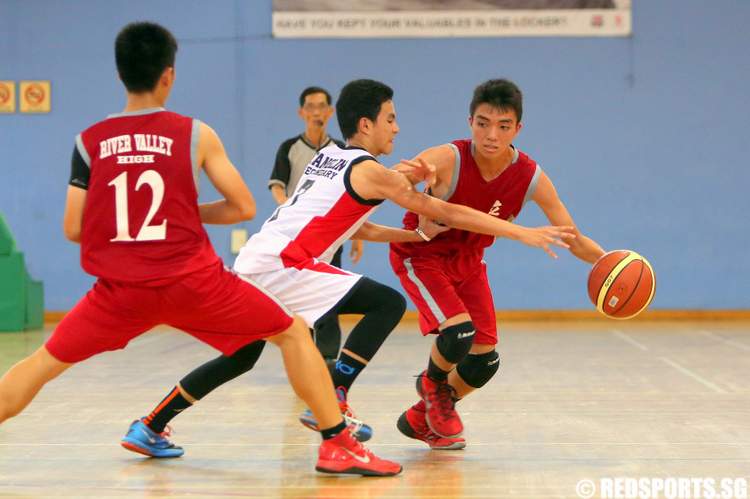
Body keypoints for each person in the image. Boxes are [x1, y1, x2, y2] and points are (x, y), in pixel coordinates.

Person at [0, 22, 402, 477]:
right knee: (291, 334)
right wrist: (184, 215)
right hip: (195, 283)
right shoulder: (194, 134)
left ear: (119, 75)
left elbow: (74, 227)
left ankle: (153, 424)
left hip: (120, 292)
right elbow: (242, 207)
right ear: (168, 75)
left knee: (39, 365)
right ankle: (336, 444)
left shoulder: (88, 143)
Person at [125, 78, 576, 452]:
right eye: (391, 119)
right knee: (385, 303)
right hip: (285, 263)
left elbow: (357, 228)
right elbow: (451, 212)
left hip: (257, 261)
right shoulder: (372, 171)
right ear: (367, 123)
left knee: (239, 359)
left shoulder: (330, 158)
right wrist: (523, 233)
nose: (397, 129)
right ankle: (336, 395)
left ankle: (150, 425)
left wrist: (415, 235)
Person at [390, 78, 606, 450]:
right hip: (422, 256)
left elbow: (571, 235)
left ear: (517, 129)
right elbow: (390, 180)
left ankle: (420, 418)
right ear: (469, 121)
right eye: (483, 123)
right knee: (458, 334)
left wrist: (608, 262)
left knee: (484, 360)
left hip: (469, 262)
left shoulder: (529, 176)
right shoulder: (446, 158)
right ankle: (431, 386)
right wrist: (412, 192)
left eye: (503, 126)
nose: (491, 134)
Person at [268, 86, 363, 364]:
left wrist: (358, 237)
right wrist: (289, 208)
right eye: (310, 106)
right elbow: (277, 187)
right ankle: (305, 358)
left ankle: (329, 361)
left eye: (322, 106)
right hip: (296, 237)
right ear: (302, 113)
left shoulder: (342, 152)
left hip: (330, 237)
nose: (316, 112)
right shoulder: (289, 148)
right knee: (299, 299)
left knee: (328, 297)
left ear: (331, 112)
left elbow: (354, 196)